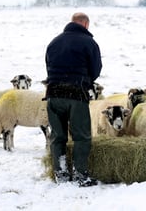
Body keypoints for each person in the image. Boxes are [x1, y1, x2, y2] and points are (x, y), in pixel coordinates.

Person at [44, 12, 102, 187]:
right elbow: (96, 69)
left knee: (57, 136)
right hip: (76, 95)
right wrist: (85, 81)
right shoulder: (89, 42)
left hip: (53, 94)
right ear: (85, 24)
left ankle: (60, 173)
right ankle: (80, 174)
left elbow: (48, 66)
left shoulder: (54, 42)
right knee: (81, 136)